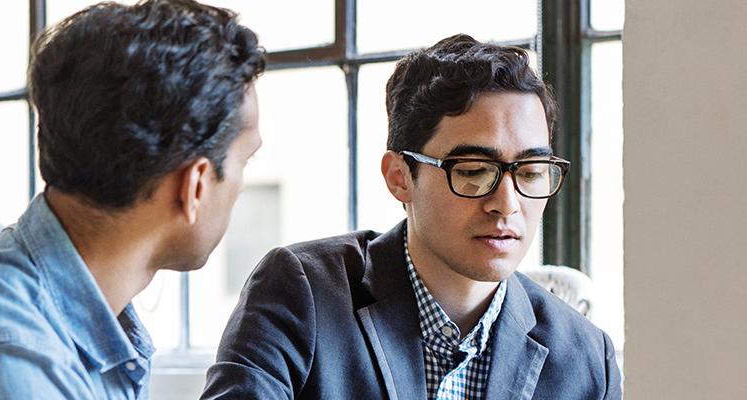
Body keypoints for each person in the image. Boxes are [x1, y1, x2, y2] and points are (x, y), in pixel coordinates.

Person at [0, 0, 266, 398]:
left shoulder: (53, 318)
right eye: (244, 161)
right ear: (193, 186)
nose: (241, 185)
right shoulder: (9, 365)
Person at [201, 34, 622, 400]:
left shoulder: (586, 360)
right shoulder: (302, 293)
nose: (508, 204)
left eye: (530, 173)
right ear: (400, 178)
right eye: (473, 172)